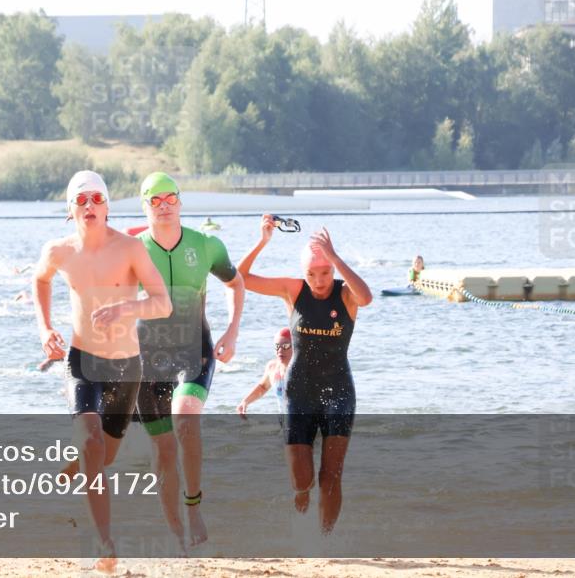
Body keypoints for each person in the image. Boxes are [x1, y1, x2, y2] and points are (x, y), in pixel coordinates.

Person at [62, 171, 245, 550]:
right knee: (161, 450)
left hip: (194, 349)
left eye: (170, 198)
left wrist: (232, 331)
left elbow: (236, 282)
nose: (163, 206)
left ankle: (193, 506)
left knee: (186, 418)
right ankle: (177, 535)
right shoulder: (130, 248)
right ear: (144, 207)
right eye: (153, 200)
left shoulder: (207, 245)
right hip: (145, 360)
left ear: (180, 201)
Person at [32, 170, 172, 573]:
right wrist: (45, 328)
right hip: (82, 361)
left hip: (126, 366)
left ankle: (78, 464)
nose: (89, 206)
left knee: (104, 454)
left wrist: (125, 308)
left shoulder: (129, 249)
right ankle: (104, 544)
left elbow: (162, 303)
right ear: (70, 209)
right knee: (93, 443)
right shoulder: (59, 251)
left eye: (96, 199)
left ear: (108, 206)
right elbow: (39, 280)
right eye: (81, 200)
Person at [237, 216, 372, 535]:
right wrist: (263, 241)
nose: (320, 280)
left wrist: (336, 256)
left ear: (334, 270)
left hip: (338, 391)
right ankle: (301, 506)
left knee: (331, 476)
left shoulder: (346, 294)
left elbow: (366, 298)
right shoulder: (293, 290)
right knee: (302, 481)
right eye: (312, 273)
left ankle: (325, 540)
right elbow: (240, 277)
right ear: (303, 273)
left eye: (325, 272)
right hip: (300, 393)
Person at [237, 328, 293, 418]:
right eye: (277, 346)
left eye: (285, 346)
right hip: (285, 422)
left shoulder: (304, 368)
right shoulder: (273, 367)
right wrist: (245, 402)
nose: (280, 350)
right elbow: (263, 387)